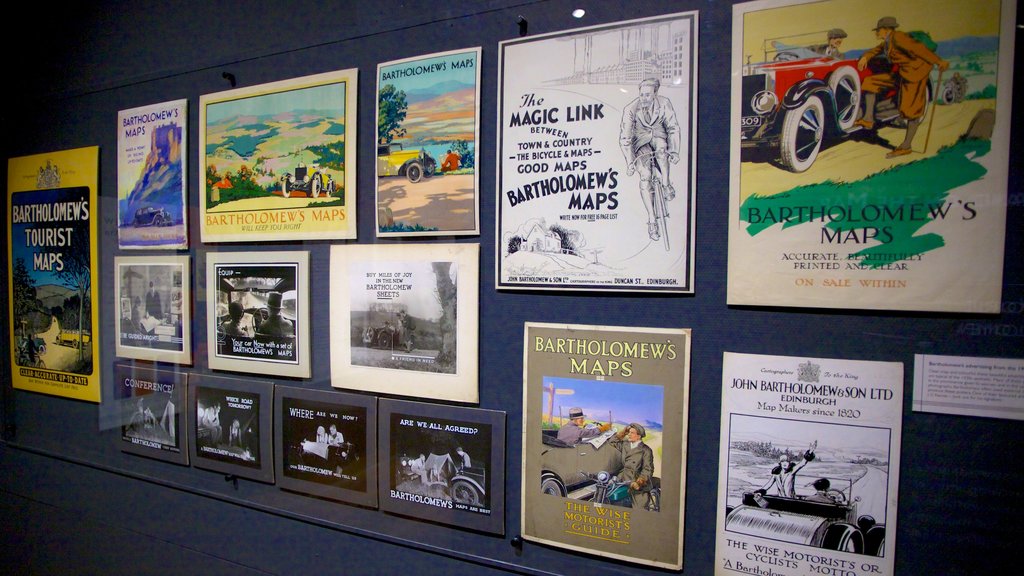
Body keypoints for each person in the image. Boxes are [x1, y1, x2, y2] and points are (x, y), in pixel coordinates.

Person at [855, 17, 949, 158]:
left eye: (878, 30)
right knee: (870, 82)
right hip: (901, 73)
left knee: (911, 109)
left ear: (886, 29)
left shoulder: (899, 37)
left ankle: (906, 146)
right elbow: (876, 50)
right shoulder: (888, 41)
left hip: (915, 73)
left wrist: (938, 61)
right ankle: (868, 120)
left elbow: (918, 49)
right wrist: (865, 57)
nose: (876, 33)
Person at [619, 77, 681, 241]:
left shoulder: (665, 104)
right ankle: (652, 221)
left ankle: (666, 184)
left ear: (655, 94)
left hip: (660, 139)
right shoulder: (630, 109)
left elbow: (673, 128)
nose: (644, 98)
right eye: (641, 95)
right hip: (641, 144)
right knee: (645, 178)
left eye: (647, 95)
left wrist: (674, 151)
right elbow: (625, 138)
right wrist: (630, 162)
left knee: (661, 150)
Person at [609, 423, 656, 510]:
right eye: (628, 432)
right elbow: (612, 441)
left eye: (632, 433)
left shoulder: (646, 450)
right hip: (623, 478)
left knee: (640, 511)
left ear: (639, 436)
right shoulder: (625, 445)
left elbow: (647, 470)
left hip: (638, 484)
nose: (629, 434)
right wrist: (624, 432)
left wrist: (638, 483)